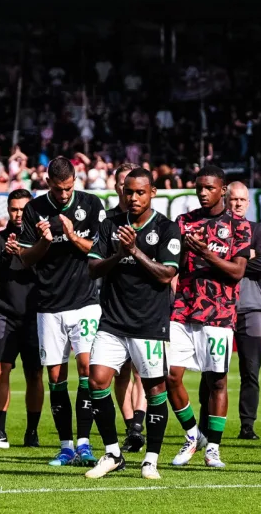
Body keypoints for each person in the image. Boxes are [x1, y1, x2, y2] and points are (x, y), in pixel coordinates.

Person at [83, 167, 181, 480]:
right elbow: (94, 269)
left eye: (140, 192)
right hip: (112, 320)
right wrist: (119, 253)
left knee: (155, 390)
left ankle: (151, 459)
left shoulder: (167, 229)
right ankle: (112, 453)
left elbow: (167, 274)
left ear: (152, 193)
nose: (134, 197)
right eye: (129, 191)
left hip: (149, 324)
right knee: (96, 380)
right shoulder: (109, 224)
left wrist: (135, 251)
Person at [17, 156, 104, 467]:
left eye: (68, 188)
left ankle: (84, 443)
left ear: (75, 181)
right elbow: (27, 259)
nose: (64, 194)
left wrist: (70, 234)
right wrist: (44, 241)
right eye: (58, 189)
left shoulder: (92, 205)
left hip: (85, 302)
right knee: (55, 376)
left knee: (87, 372)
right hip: (49, 304)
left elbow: (98, 250)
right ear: (47, 183)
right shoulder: (33, 209)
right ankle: (65, 445)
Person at [165, 166, 252, 469]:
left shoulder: (238, 226)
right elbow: (170, 262)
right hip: (183, 309)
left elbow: (238, 271)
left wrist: (207, 254)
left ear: (223, 189)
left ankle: (213, 447)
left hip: (219, 312)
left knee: (217, 381)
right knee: (170, 375)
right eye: (199, 187)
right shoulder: (183, 222)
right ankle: (192, 436)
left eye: (209, 188)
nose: (202, 193)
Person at [0, 188, 43, 450]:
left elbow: (47, 274)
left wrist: (24, 255)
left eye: (23, 209)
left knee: (34, 374)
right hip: (5, 314)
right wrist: (6, 253)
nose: (18, 214)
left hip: (36, 317)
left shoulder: (43, 240)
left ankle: (32, 432)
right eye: (14, 209)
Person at [217, 182, 261, 440]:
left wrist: (227, 258)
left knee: (251, 370)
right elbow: (209, 260)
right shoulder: (216, 228)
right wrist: (244, 254)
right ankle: (209, 422)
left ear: (248, 203)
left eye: (242, 200)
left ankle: (247, 425)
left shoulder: (258, 230)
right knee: (215, 369)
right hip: (219, 307)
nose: (237, 204)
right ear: (225, 200)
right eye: (232, 199)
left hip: (250, 308)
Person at [105, 163, 148, 454]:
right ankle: (130, 423)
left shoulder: (152, 221)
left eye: (131, 184)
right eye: (122, 184)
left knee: (142, 371)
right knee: (120, 374)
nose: (127, 190)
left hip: (144, 306)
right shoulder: (107, 221)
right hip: (113, 306)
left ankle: (138, 424)